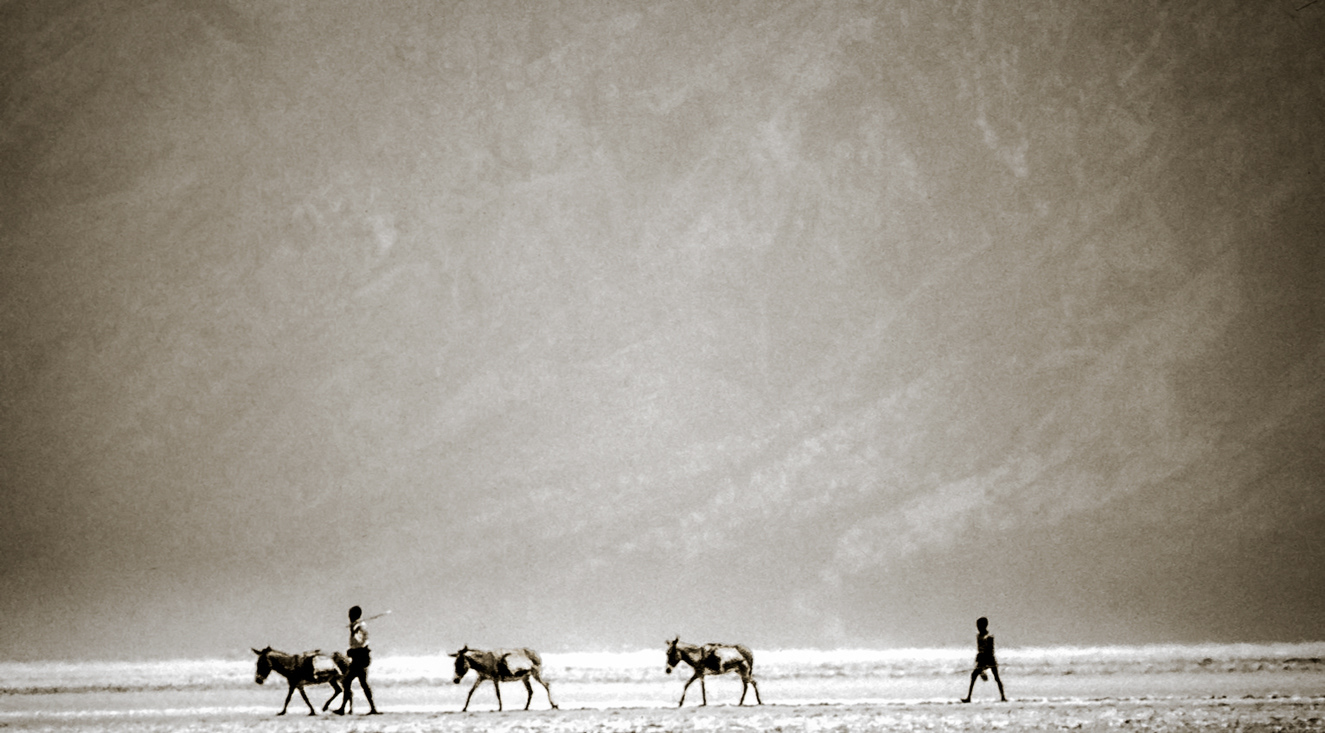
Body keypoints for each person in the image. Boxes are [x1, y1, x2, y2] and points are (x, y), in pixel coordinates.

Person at [334, 605, 380, 715]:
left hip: (360, 657)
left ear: (355, 615)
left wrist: (352, 649)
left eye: (350, 615)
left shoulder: (359, 627)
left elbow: (359, 642)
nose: (349, 617)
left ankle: (343, 709)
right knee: (357, 682)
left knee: (349, 681)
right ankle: (371, 708)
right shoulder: (356, 626)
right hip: (358, 658)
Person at [960, 616, 1006, 702]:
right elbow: (979, 649)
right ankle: (969, 697)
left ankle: (1003, 697)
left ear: (984, 626)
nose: (977, 627)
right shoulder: (979, 636)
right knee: (974, 676)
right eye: (977, 625)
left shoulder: (989, 637)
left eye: (979, 625)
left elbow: (990, 650)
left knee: (996, 678)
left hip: (989, 659)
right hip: (981, 658)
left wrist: (985, 664)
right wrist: (978, 660)